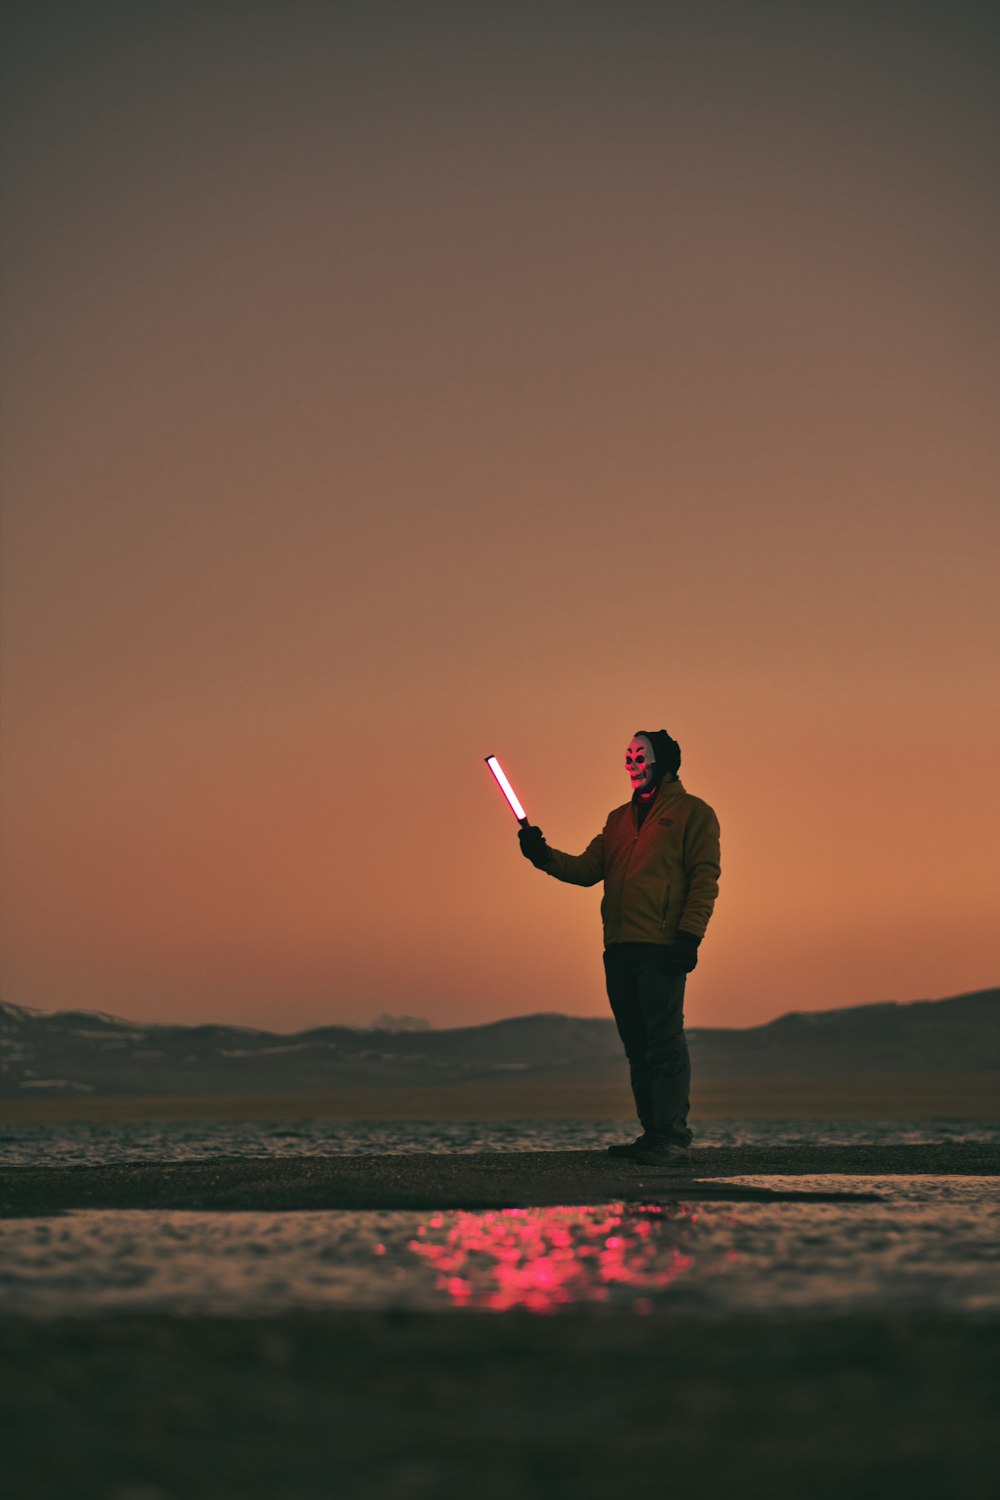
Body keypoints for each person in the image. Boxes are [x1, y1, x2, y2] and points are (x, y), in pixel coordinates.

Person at [517, 730, 720, 1166]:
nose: (632, 762)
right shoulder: (617, 820)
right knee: (637, 1046)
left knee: (664, 1043)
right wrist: (543, 855)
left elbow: (705, 878)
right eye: (628, 755)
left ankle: (672, 1138)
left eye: (640, 755)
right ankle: (653, 1133)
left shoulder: (693, 813)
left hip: (663, 946)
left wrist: (689, 936)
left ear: (662, 762)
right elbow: (588, 870)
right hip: (619, 948)